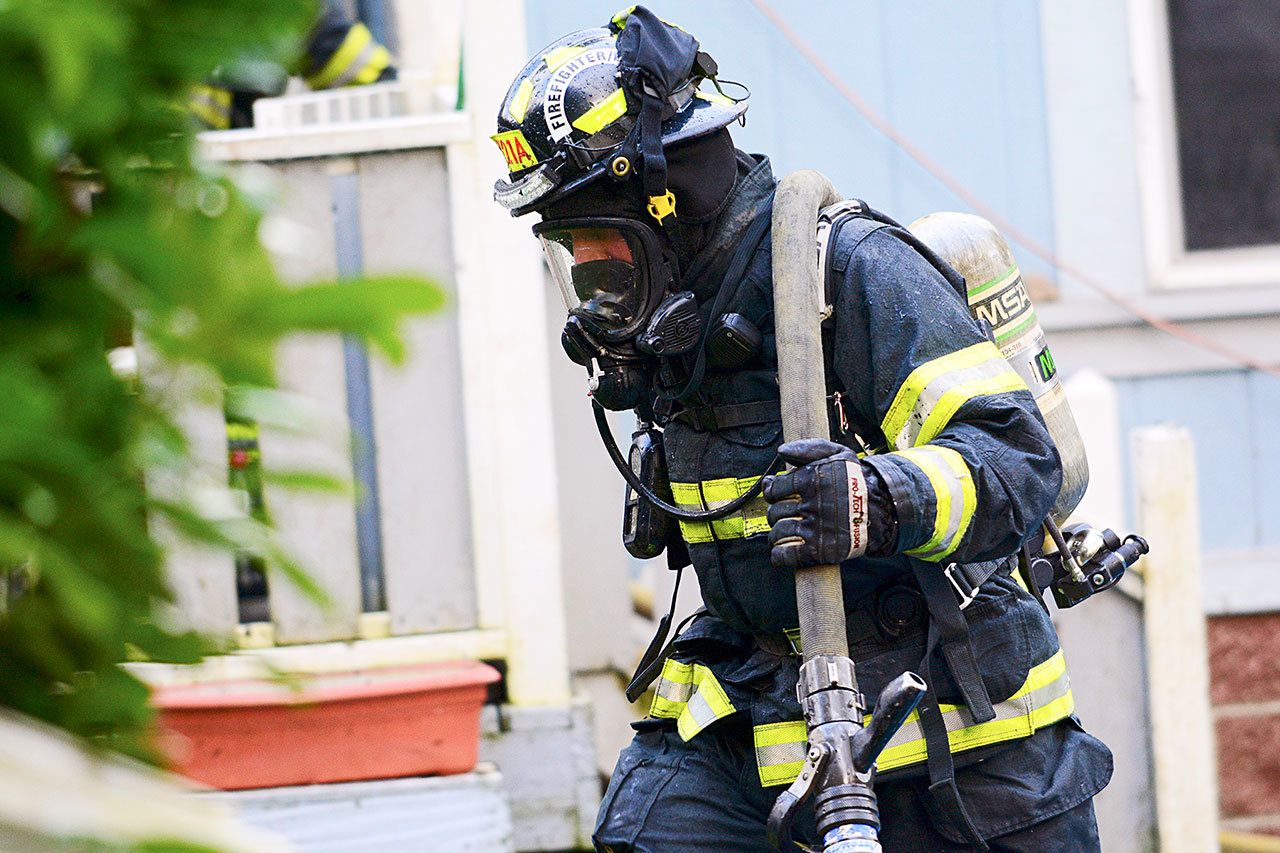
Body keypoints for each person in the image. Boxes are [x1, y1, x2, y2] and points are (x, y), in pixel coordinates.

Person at [491, 8, 1112, 851]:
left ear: (667, 201)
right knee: (648, 832)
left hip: (958, 738)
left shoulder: (846, 270)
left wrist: (877, 498)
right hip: (763, 703)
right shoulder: (682, 321)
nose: (596, 287)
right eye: (574, 255)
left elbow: (1015, 456)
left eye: (604, 243)